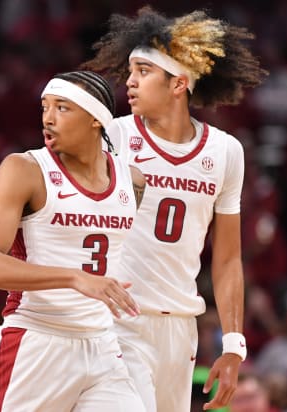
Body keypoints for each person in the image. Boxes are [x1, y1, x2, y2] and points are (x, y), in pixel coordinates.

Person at [81, 6, 267, 411]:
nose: (129, 82)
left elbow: (228, 258)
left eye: (143, 71)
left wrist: (233, 345)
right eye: (129, 71)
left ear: (179, 83)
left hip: (182, 327)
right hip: (118, 319)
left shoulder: (225, 152)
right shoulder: (112, 136)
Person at [0, 70, 147, 411]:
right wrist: (73, 277)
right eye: (44, 107)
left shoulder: (133, 180)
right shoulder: (25, 169)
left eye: (63, 108)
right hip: (35, 344)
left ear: (96, 119)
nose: (48, 119)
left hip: (102, 347)